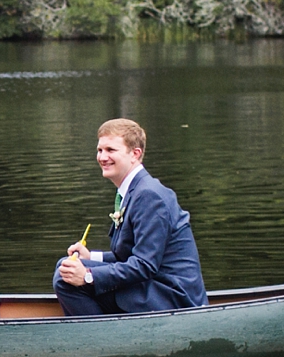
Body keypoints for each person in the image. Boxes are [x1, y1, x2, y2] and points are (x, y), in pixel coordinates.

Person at [54, 118, 207, 316]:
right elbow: (127, 256)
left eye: (111, 150)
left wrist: (89, 277)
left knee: (64, 279)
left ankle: (101, 342)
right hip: (152, 286)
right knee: (65, 267)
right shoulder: (132, 191)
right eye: (100, 150)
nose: (102, 157)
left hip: (173, 297)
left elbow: (145, 265)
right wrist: (91, 258)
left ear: (135, 154)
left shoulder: (149, 195)